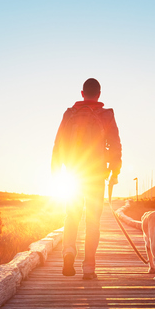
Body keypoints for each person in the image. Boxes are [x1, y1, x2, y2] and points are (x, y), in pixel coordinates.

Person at [51, 78, 122, 280]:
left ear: (82, 93)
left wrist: (56, 172)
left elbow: (58, 144)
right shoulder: (106, 115)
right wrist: (115, 172)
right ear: (99, 95)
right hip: (96, 175)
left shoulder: (69, 114)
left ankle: (68, 252)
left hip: (73, 174)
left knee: (71, 216)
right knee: (93, 222)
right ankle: (89, 267)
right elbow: (116, 145)